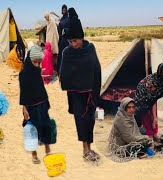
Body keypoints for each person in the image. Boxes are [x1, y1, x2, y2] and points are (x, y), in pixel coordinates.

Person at [59, 8, 102, 163]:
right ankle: (85, 149)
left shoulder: (90, 49)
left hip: (90, 93)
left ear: (81, 38)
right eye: (70, 41)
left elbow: (96, 69)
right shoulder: (67, 52)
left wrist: (95, 90)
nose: (73, 44)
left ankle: (90, 147)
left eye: (75, 40)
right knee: (81, 120)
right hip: (76, 94)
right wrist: (70, 84)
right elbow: (64, 73)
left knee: (90, 120)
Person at [19, 45, 54, 164]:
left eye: (40, 63)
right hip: (31, 106)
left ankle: (47, 148)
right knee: (33, 129)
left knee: (46, 126)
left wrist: (46, 102)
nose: (38, 65)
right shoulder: (23, 74)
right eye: (35, 62)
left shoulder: (37, 71)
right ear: (29, 60)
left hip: (42, 103)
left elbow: (41, 88)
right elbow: (23, 92)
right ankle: (34, 154)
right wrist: (24, 108)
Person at [134, 63, 163, 141]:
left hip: (152, 99)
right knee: (148, 116)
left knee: (154, 117)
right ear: (160, 72)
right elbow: (153, 100)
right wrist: (154, 117)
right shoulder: (153, 81)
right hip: (143, 99)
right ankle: (149, 135)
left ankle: (154, 133)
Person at [56, 4, 70, 74]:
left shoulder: (68, 19)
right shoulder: (61, 19)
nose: (63, 11)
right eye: (62, 10)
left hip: (67, 40)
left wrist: (66, 30)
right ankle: (60, 71)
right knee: (61, 55)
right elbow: (59, 29)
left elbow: (71, 29)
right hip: (61, 40)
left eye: (64, 10)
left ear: (66, 10)